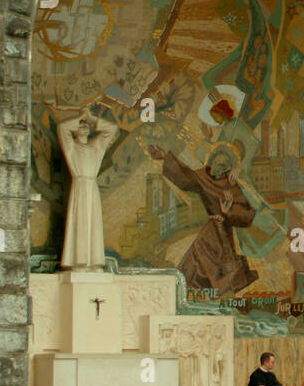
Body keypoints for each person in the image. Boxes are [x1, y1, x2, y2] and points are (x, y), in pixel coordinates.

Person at [146, 144, 258, 296]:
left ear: (227, 169)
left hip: (222, 233)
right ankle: (188, 290)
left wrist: (228, 212)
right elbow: (185, 177)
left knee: (215, 266)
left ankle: (216, 291)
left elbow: (247, 215)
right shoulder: (202, 177)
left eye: (222, 166)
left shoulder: (230, 186)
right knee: (196, 259)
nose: (217, 167)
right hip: (209, 228)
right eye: (216, 163)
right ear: (211, 161)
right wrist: (164, 158)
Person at [57, 110, 119, 270]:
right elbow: (62, 128)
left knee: (94, 225)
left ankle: (94, 263)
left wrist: (92, 118)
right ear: (75, 130)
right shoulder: (71, 147)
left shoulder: (96, 146)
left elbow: (112, 129)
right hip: (79, 187)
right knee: (80, 223)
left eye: (86, 126)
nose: (83, 126)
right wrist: (78, 117)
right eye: (80, 125)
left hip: (92, 188)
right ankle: (79, 263)